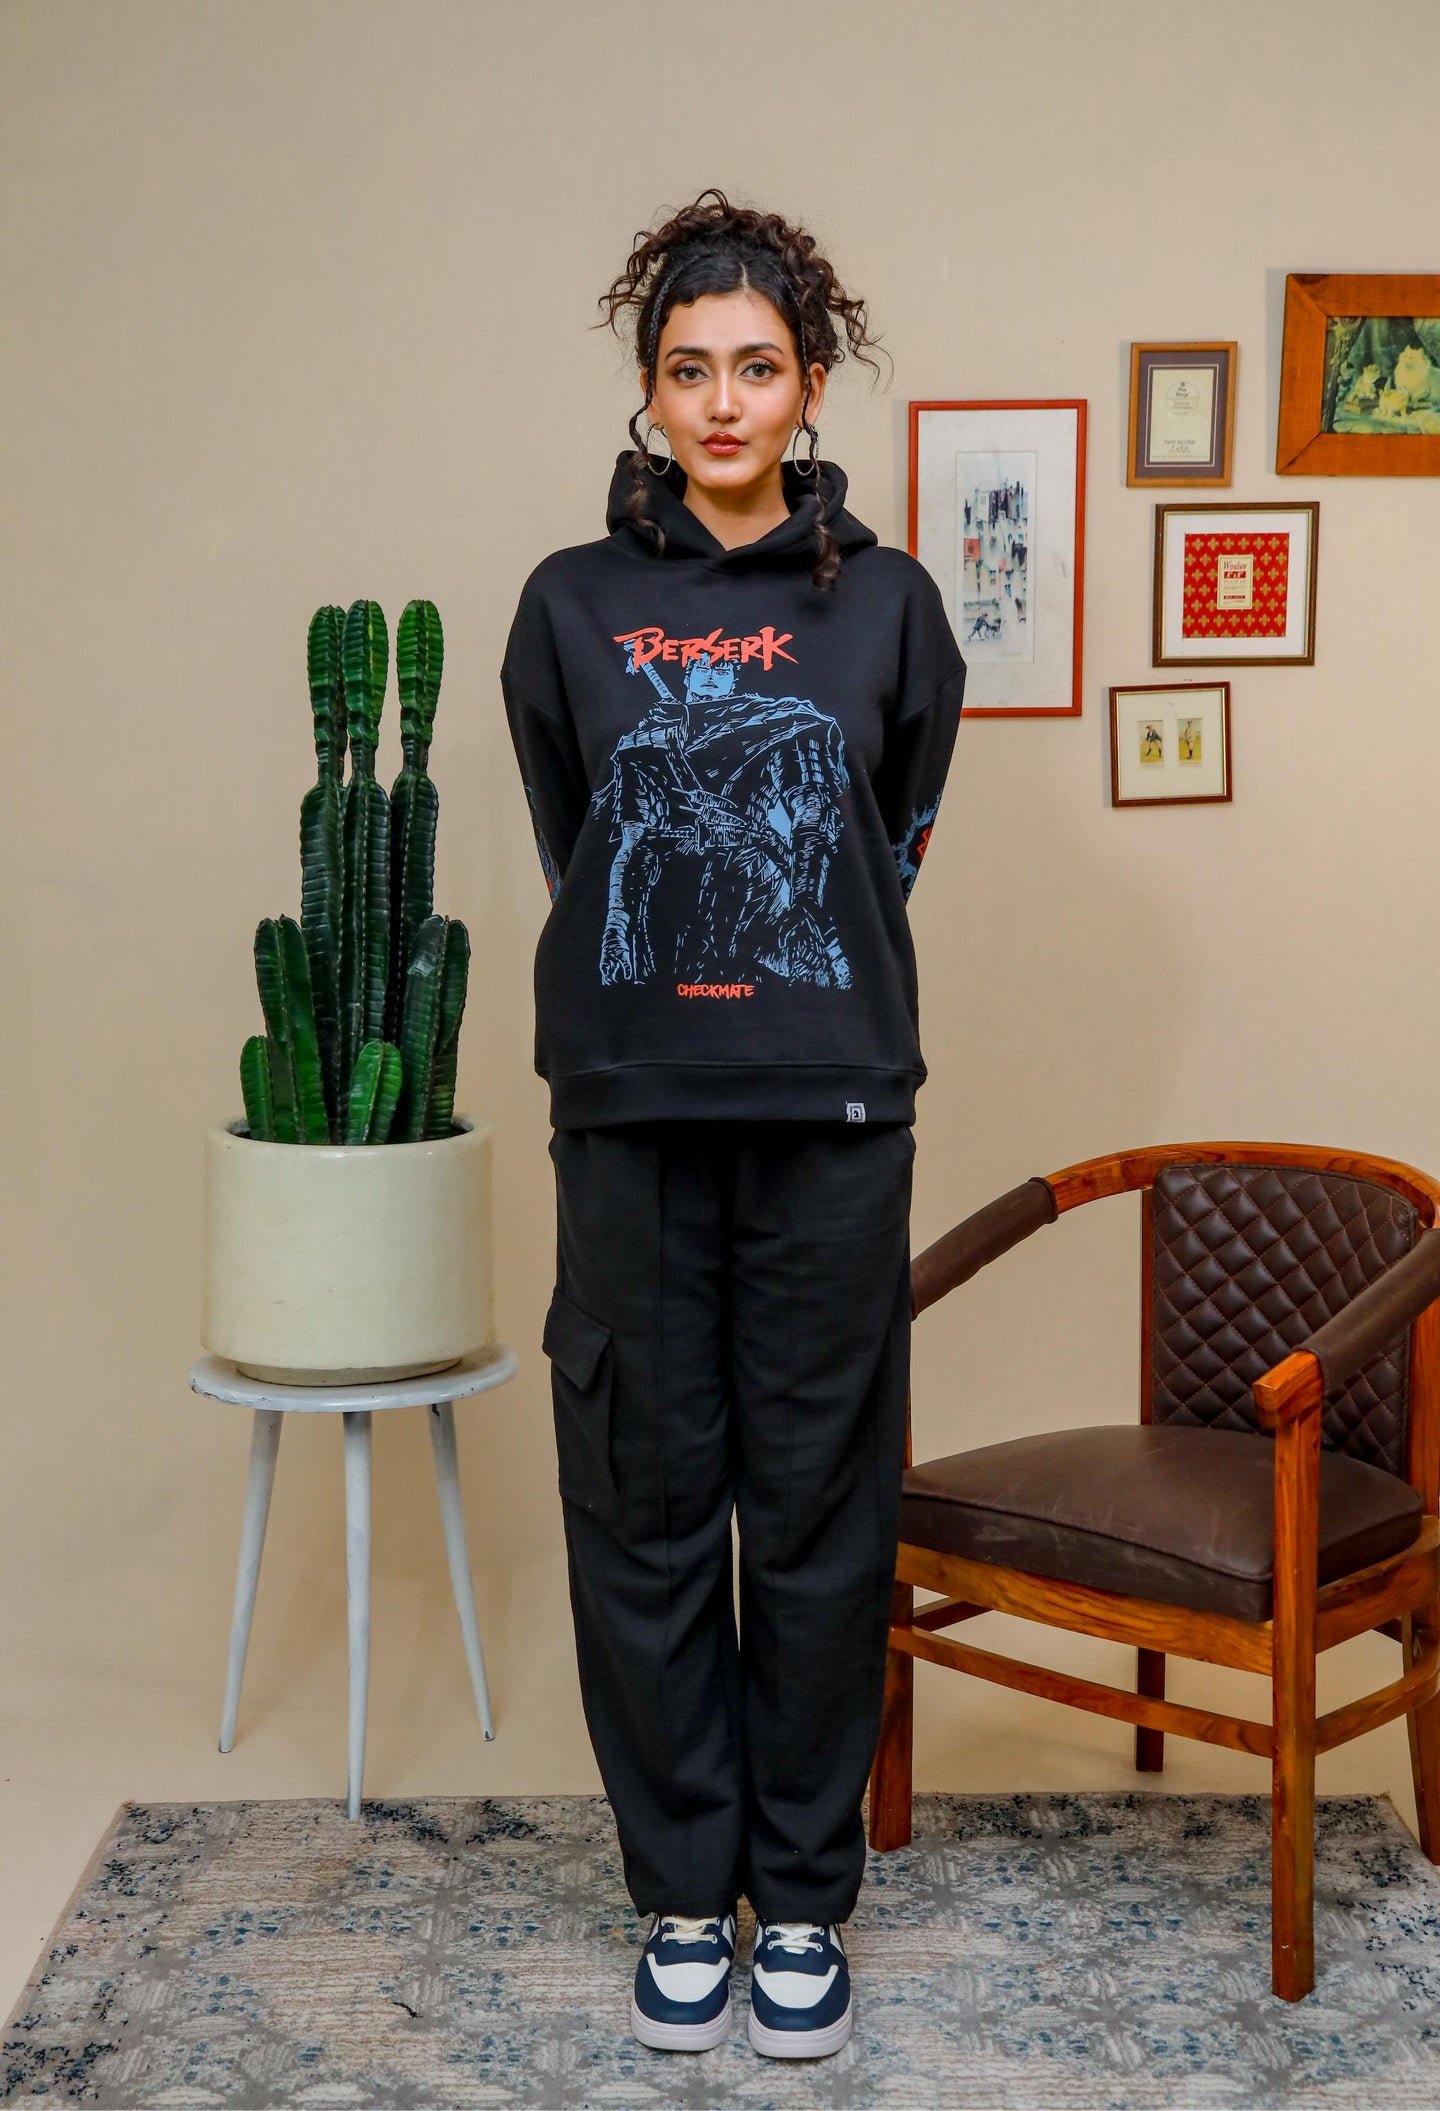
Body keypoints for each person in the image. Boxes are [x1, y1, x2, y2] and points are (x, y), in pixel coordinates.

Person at [501, 186, 965, 2062]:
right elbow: (574, 836)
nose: (720, 402)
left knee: (821, 1517)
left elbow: (892, 838)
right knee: (644, 1506)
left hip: (834, 1113)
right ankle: (687, 1892)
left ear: (811, 383)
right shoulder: (569, 605)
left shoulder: (892, 606)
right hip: (628, 1114)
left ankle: (806, 1902)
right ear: (648, 386)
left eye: (755, 368)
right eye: (688, 369)